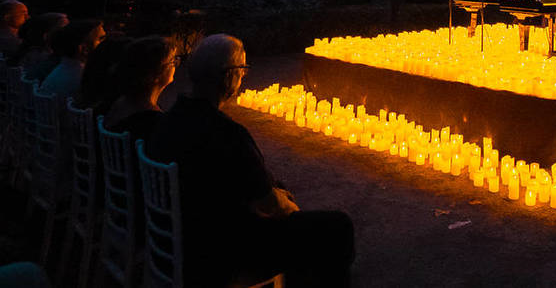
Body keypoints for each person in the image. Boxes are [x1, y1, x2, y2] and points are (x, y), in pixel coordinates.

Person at [147, 34, 355, 287]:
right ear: (228, 76)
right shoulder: (226, 134)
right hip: (221, 248)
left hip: (184, 236)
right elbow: (269, 203)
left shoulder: (170, 119)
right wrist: (290, 207)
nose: (245, 76)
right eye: (242, 69)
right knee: (336, 227)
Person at [103, 36, 177, 142]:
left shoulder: (121, 103)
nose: (176, 65)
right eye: (172, 61)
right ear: (153, 74)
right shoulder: (151, 122)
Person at [40, 19, 105, 98]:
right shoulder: (81, 77)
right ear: (84, 49)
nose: (106, 43)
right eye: (101, 39)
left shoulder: (63, 69)